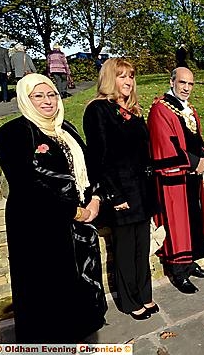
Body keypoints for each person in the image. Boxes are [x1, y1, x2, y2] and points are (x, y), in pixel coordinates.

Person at [0, 74, 107, 343]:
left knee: (77, 282)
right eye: (39, 96)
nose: (47, 101)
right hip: (38, 228)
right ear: (25, 98)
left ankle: (80, 329)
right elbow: (26, 185)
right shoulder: (12, 134)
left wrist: (96, 200)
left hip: (77, 225)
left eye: (52, 95)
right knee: (45, 290)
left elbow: (91, 167)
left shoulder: (65, 128)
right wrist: (76, 212)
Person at [83, 58, 158, 320]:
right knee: (125, 251)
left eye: (131, 76)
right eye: (122, 76)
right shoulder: (98, 110)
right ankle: (130, 301)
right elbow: (99, 158)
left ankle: (145, 295)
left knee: (142, 248)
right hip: (120, 193)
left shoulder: (134, 111)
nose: (128, 81)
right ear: (109, 79)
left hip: (141, 191)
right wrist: (113, 195)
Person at [147, 67, 204, 295]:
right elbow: (165, 145)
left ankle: (191, 262)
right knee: (177, 224)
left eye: (190, 84)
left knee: (193, 219)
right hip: (174, 177)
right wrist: (194, 162)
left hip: (192, 176)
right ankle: (178, 272)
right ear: (172, 81)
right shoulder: (160, 109)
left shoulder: (189, 109)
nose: (186, 88)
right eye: (182, 83)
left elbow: (196, 137)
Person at [0, 37, 11, 103]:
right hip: (2, 69)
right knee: (4, 85)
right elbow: (7, 61)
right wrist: (9, 70)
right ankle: (5, 99)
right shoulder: (4, 50)